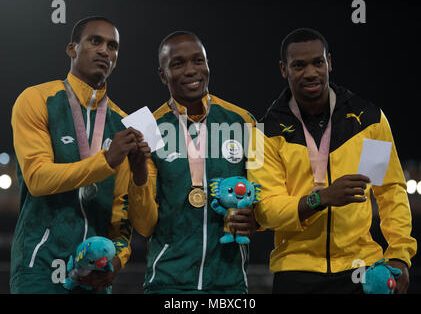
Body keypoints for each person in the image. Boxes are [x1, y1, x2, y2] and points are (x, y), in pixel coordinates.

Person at [247, 28, 417, 294]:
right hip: (296, 273)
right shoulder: (265, 132)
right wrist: (322, 198)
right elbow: (265, 210)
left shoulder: (367, 120)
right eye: (299, 65)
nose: (311, 72)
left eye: (318, 62)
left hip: (361, 267)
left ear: (329, 62)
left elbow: (389, 192)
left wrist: (399, 254)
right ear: (284, 69)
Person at [10, 16, 149, 293]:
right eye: (95, 41)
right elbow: (37, 178)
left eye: (113, 46)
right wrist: (106, 161)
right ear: (72, 49)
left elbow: (120, 215)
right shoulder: (37, 99)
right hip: (38, 267)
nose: (104, 51)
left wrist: (118, 261)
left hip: (95, 275)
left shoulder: (123, 124)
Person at [128, 31, 257, 293]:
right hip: (167, 283)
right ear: (163, 74)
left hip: (229, 283)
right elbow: (144, 225)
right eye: (178, 63)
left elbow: (265, 193)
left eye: (198, 61)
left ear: (208, 65)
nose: (191, 70)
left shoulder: (244, 121)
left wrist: (257, 219)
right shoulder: (148, 128)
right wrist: (138, 172)